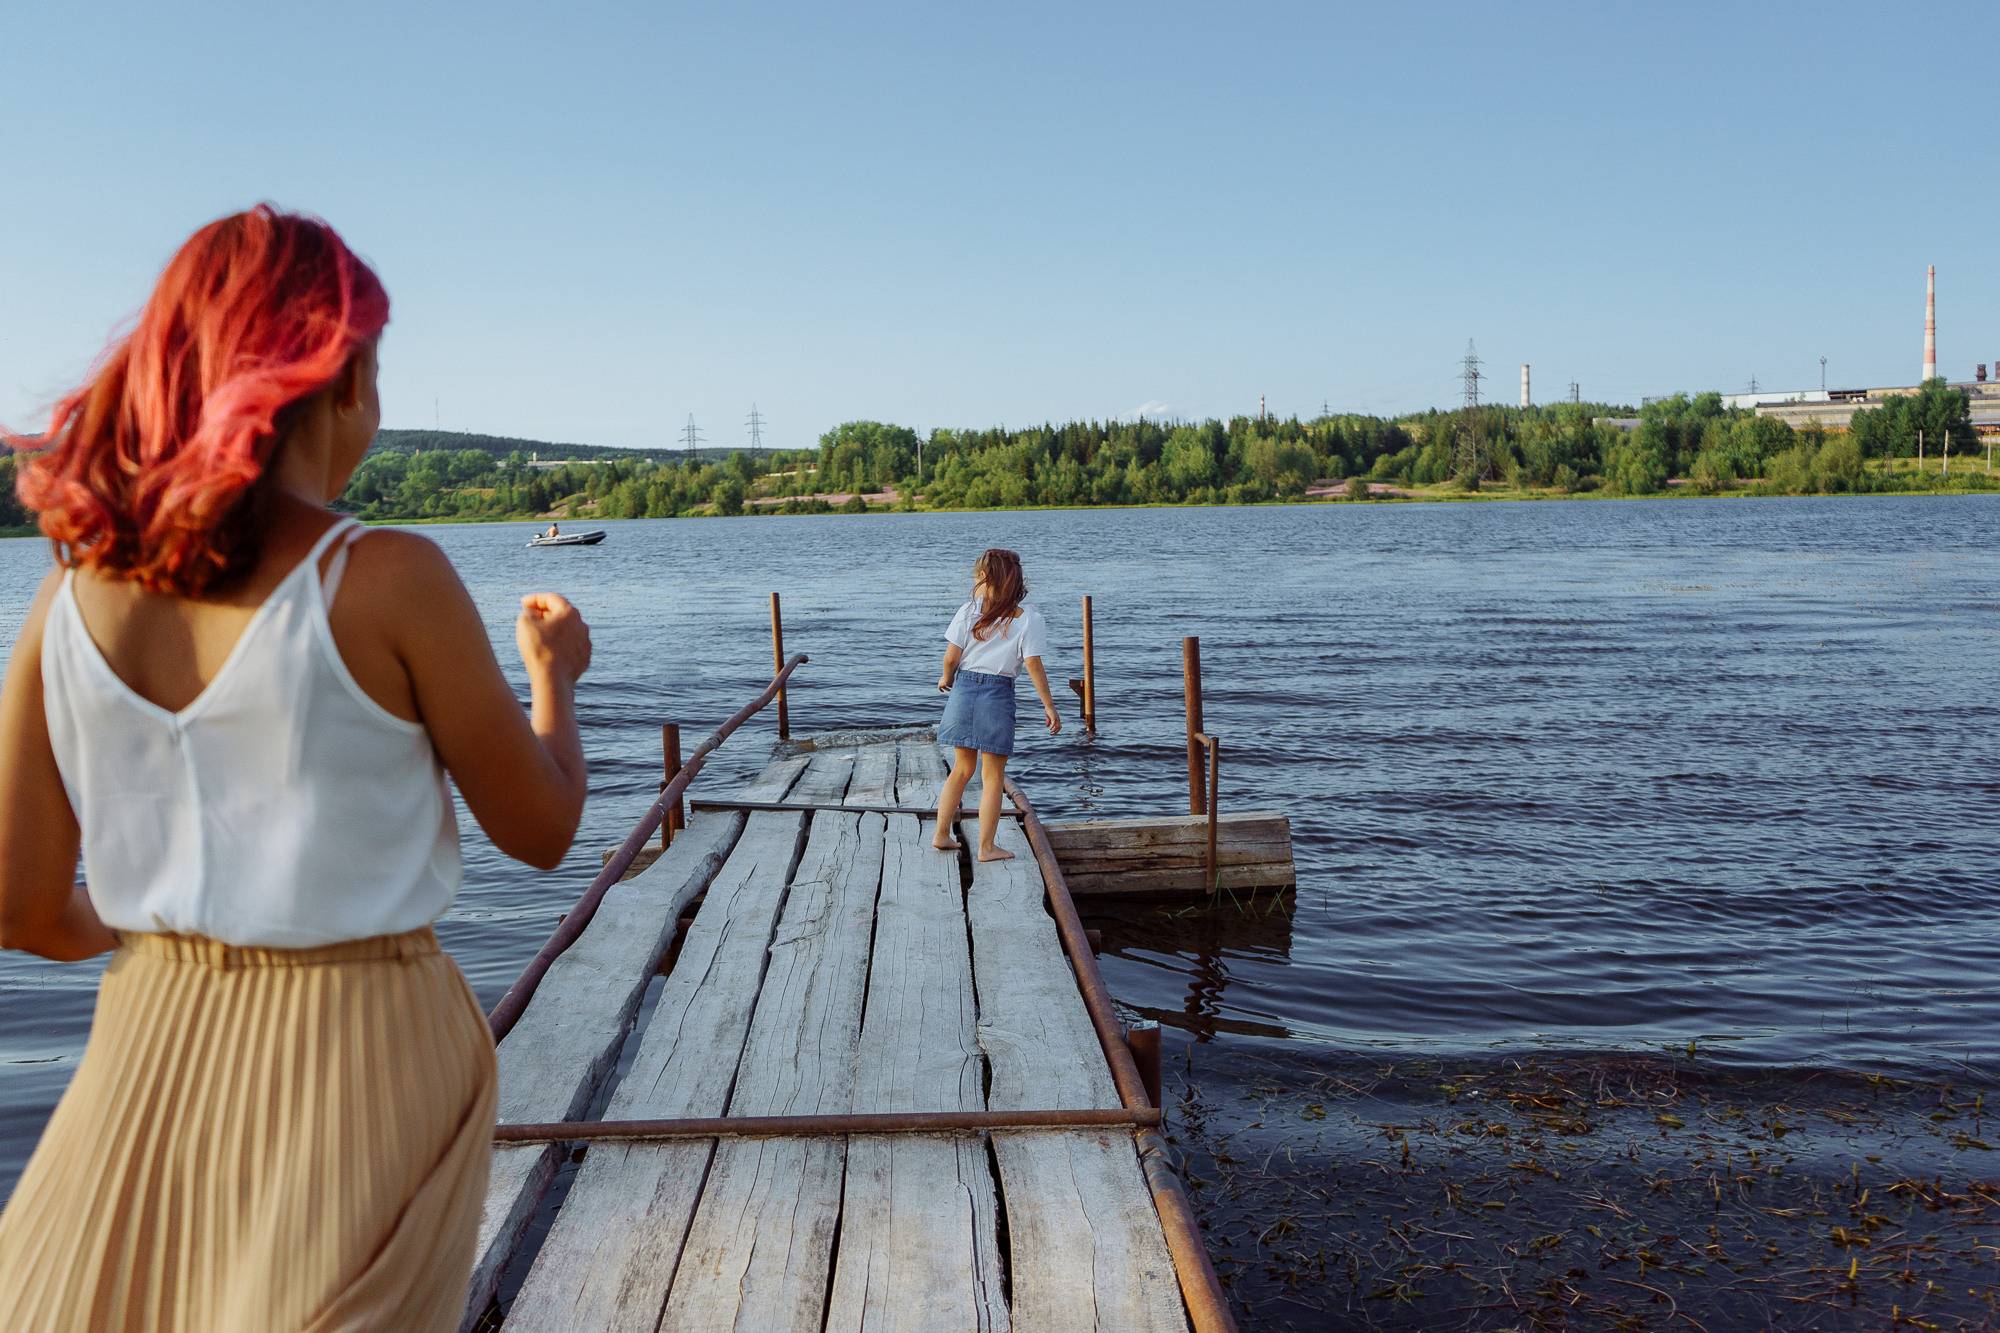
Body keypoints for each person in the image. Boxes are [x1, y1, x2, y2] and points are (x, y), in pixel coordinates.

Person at [0, 205, 592, 1331]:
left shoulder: (65, 600)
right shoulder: (391, 576)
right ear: (344, 377)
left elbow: (21, 907)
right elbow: (543, 828)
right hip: (358, 1057)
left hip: (146, 1047)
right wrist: (553, 677)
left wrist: (181, 926)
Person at [931, 548, 1060, 861]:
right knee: (992, 778)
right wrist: (1048, 705)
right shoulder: (1028, 620)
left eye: (978, 576)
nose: (974, 581)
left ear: (988, 581)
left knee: (961, 769)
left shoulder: (968, 611)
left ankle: (941, 834)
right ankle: (986, 848)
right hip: (997, 695)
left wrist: (946, 677)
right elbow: (1033, 664)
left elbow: (951, 657)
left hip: (963, 689)